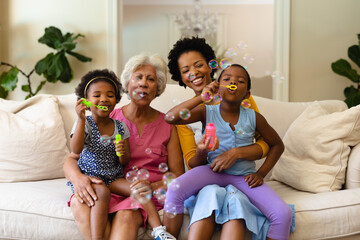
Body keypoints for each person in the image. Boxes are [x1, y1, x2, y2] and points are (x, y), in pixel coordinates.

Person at [64, 53, 185, 240]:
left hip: (142, 195)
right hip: (106, 187)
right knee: (81, 203)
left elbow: (177, 174)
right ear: (127, 84)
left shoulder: (167, 124)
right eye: (138, 77)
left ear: (158, 88)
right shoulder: (107, 117)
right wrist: (78, 179)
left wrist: (152, 186)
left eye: (151, 79)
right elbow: (73, 156)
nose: (143, 83)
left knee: (126, 215)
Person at [164, 64, 292, 240]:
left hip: (243, 177)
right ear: (217, 87)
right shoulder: (205, 111)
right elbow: (170, 117)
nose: (233, 82)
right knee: (174, 189)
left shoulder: (255, 117)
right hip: (212, 172)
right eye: (227, 79)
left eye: (240, 81)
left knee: (282, 214)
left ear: (247, 94)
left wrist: (261, 173)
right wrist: (202, 97)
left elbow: (277, 145)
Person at [67, 69, 131, 239]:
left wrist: (122, 152)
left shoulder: (120, 126)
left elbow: (125, 161)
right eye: (97, 95)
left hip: (113, 176)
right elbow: (76, 150)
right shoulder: (84, 123)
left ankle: (158, 228)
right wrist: (80, 119)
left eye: (110, 95)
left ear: (116, 100)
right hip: (90, 176)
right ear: (86, 101)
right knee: (102, 193)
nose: (103, 99)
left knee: (138, 190)